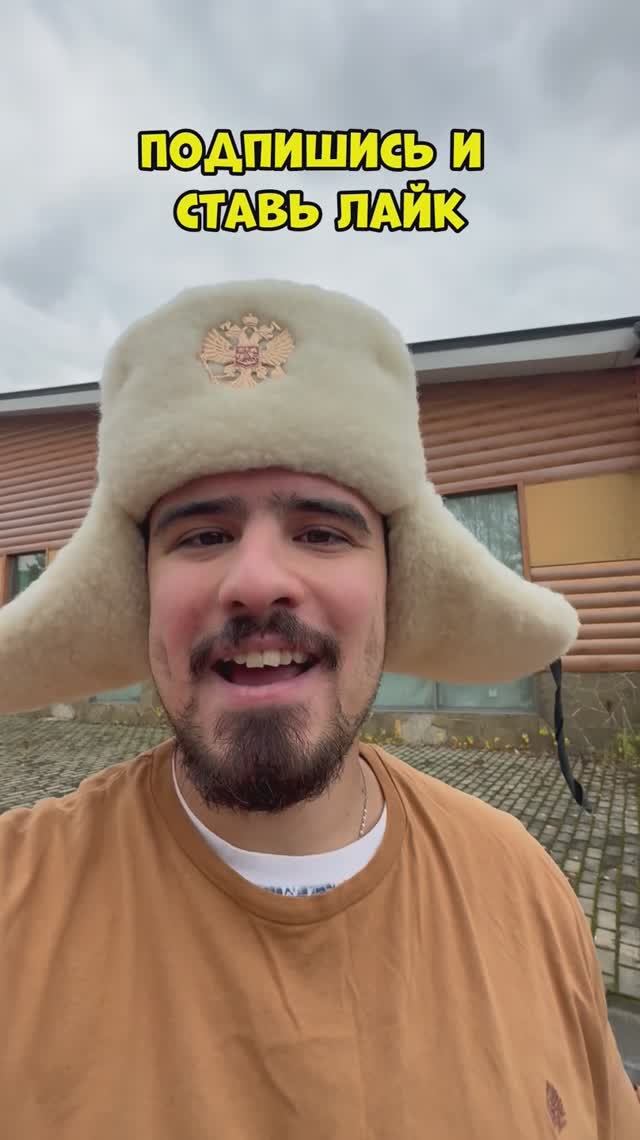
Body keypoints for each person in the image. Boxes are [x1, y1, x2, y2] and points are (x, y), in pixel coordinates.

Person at [0, 281, 637, 1137]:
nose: (257, 580)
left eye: (323, 532)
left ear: (393, 589)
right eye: (202, 535)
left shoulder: (523, 890)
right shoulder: (16, 904)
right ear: (140, 595)